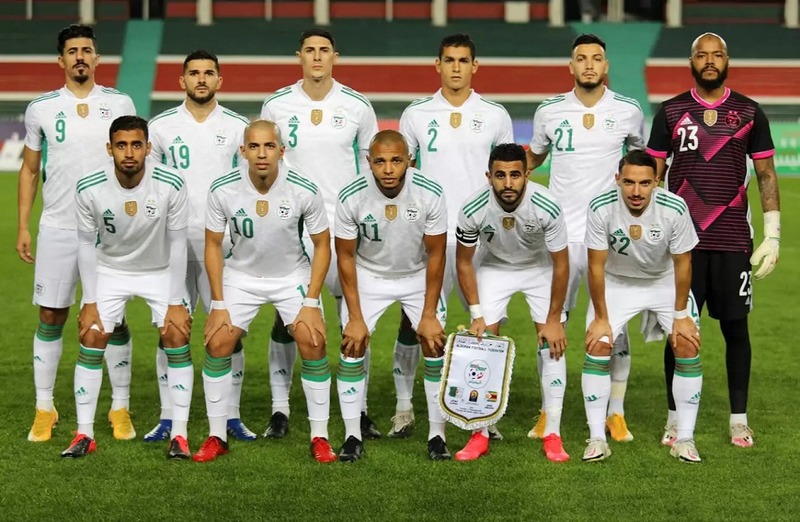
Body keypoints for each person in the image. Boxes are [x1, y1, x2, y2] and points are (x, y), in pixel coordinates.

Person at [646, 32, 780, 448]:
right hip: (682, 245)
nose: (709, 61)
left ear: (727, 61)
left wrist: (773, 234)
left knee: (736, 330)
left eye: (716, 55)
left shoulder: (750, 112)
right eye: (701, 55)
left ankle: (738, 420)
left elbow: (766, 174)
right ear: (691, 62)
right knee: (680, 330)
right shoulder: (670, 112)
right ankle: (674, 419)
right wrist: (651, 233)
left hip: (733, 240)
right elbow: (652, 176)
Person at [17, 24, 138, 443]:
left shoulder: (119, 102)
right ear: (61, 60)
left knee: (113, 320)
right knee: (51, 315)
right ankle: (44, 408)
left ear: (97, 58)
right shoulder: (41, 108)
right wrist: (23, 225)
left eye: (87, 50)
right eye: (73, 51)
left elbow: (135, 160)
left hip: (110, 229)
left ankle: (119, 407)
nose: (80, 56)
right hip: (58, 226)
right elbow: (30, 170)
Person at [260, 28, 381, 439]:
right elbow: (267, 164)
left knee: (353, 319)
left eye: (323, 50)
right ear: (299, 56)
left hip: (345, 226)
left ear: (334, 57)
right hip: (292, 226)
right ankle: (280, 409)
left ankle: (358, 409)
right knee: (287, 320)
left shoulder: (358, 106)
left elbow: (370, 169)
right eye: (309, 50)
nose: (316, 56)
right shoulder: (276, 105)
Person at [193, 120, 337, 463]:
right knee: (218, 341)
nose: (262, 154)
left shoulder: (303, 188)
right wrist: (218, 303)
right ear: (242, 151)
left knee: (313, 340)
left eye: (269, 146)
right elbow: (212, 245)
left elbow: (322, 244)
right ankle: (216, 436)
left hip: (291, 275)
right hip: (242, 275)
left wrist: (311, 301)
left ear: (281, 151)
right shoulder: (223, 188)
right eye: (254, 147)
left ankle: (320, 437)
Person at [527, 33, 646, 443]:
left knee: (615, 326)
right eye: (582, 58)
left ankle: (616, 413)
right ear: (571, 66)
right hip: (559, 237)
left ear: (606, 66)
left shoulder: (629, 111)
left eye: (597, 58)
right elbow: (534, 157)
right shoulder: (549, 111)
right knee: (550, 324)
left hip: (609, 238)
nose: (589, 64)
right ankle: (548, 412)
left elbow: (642, 162)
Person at [397, 33, 514, 439]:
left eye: (464, 60)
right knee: (414, 321)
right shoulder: (416, 114)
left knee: (486, 325)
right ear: (438, 65)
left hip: (481, 236)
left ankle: (484, 414)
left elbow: (506, 176)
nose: (456, 67)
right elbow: (404, 175)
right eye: (449, 60)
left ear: (475, 66)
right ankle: (404, 407)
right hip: (429, 233)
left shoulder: (495, 115)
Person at [62, 116, 192, 459]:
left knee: (176, 335)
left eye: (136, 145)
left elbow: (179, 243)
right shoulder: (89, 186)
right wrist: (89, 301)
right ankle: (84, 434)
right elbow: (85, 245)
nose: (129, 152)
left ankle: (179, 435)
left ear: (148, 148)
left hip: (160, 270)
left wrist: (176, 301)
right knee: (92, 336)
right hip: (110, 269)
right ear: (110, 149)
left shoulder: (172, 183)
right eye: (121, 145)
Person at [146, 50, 254, 442]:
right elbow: (150, 186)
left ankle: (231, 416)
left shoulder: (239, 127)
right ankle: (167, 416)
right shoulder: (160, 127)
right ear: (182, 81)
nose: (201, 79)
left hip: (221, 244)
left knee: (228, 329)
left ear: (219, 81)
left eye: (209, 73)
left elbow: (248, 185)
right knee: (169, 328)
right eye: (194, 73)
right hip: (172, 242)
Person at [581, 150, 703, 463]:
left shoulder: (674, 208)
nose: (636, 191)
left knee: (687, 343)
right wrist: (601, 318)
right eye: (629, 182)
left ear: (656, 181)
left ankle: (685, 439)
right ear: (617, 180)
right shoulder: (600, 207)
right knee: (598, 343)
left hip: (663, 281)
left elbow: (683, 263)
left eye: (645, 183)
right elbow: (595, 266)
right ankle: (597, 439)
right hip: (617, 282)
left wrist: (680, 316)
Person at [334, 130, 449, 462]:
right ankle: (352, 436)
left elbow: (437, 255)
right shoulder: (351, 195)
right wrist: (355, 318)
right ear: (368, 161)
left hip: (416, 274)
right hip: (369, 274)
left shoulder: (430, 192)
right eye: (380, 161)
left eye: (396, 161)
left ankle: (437, 436)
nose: (388, 169)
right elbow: (345, 257)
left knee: (434, 344)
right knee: (352, 345)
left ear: (409, 161)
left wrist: (429, 315)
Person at [456, 143, 569, 462]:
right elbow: (463, 262)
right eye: (500, 175)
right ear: (489, 176)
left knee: (552, 345)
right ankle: (480, 432)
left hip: (538, 267)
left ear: (527, 175)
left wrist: (554, 319)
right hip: (494, 267)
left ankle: (553, 434)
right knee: (482, 343)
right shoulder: (473, 207)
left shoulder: (547, 205)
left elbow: (561, 264)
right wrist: (476, 314)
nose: (508, 183)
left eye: (515, 175)